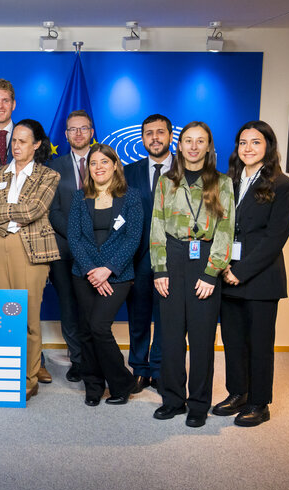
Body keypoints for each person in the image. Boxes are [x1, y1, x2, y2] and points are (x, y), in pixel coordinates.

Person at [150, 121, 235, 428]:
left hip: (206, 258)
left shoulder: (222, 183)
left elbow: (225, 229)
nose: (194, 146)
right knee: (171, 337)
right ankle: (172, 399)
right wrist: (159, 269)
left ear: (209, 146)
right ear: (179, 145)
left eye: (201, 141)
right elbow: (157, 225)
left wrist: (212, 273)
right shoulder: (166, 181)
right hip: (172, 257)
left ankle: (199, 403)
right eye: (188, 140)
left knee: (201, 339)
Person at [216, 121, 289, 427]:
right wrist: (223, 267)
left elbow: (276, 237)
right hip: (227, 274)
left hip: (261, 278)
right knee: (233, 341)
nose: (248, 148)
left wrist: (241, 271)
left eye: (256, 142)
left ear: (268, 147)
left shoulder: (282, 185)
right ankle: (238, 393)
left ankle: (260, 403)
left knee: (259, 343)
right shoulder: (227, 182)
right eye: (243, 143)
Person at [0, 119, 60, 401]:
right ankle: (5, 372)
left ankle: (29, 377)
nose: (16, 146)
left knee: (27, 318)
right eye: (14, 140)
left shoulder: (48, 176)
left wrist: (0, 210)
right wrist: (5, 213)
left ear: (37, 145)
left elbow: (33, 210)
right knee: (3, 314)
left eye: (23, 141)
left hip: (31, 251)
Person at [68, 144, 143, 406]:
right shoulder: (79, 198)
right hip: (84, 274)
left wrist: (107, 269)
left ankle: (122, 383)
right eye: (93, 163)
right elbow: (74, 239)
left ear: (115, 165)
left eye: (104, 162)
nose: (98, 167)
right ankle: (94, 385)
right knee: (86, 330)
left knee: (99, 326)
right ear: (88, 168)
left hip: (117, 275)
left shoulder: (131, 197)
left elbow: (133, 238)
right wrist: (91, 270)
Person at [123, 114, 175, 393]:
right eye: (148, 133)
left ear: (169, 135)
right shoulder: (128, 172)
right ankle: (140, 369)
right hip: (139, 255)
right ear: (142, 138)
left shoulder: (186, 168)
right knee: (139, 315)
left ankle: (159, 368)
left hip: (175, 256)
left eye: (160, 132)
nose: (154, 138)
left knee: (166, 315)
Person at [48, 110, 96, 382]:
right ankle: (77, 358)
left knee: (94, 306)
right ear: (65, 134)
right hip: (64, 248)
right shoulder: (54, 167)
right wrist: (77, 238)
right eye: (72, 129)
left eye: (83, 128)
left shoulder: (105, 162)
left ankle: (94, 356)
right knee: (68, 305)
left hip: (99, 249)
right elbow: (53, 210)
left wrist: (91, 241)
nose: (78, 133)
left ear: (91, 132)